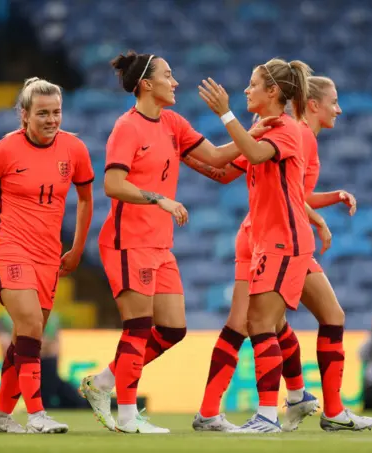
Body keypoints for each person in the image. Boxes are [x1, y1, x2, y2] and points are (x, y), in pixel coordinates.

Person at [79, 50, 263, 434]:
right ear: (146, 84)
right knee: (138, 326)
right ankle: (127, 417)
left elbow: (215, 158)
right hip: (127, 241)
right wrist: (158, 198)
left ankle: (103, 383)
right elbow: (112, 184)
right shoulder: (126, 128)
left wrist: (255, 131)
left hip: (159, 245)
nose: (175, 81)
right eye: (168, 74)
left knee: (173, 329)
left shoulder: (172, 123)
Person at [197, 59, 372, 433]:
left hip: (282, 240)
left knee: (261, 322)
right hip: (270, 237)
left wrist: (225, 113)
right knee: (268, 322)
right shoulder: (273, 129)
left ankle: (271, 412)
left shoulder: (287, 132)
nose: (246, 90)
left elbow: (283, 180)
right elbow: (225, 167)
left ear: (274, 91)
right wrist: (178, 145)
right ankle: (300, 400)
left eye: (252, 84)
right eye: (334, 101)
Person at [0, 77, 94, 434]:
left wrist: (77, 248)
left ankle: (0, 416)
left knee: (30, 336)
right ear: (24, 115)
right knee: (29, 325)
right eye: (42, 113)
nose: (51, 120)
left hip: (48, 254)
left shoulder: (75, 149)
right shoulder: (4, 150)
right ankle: (37, 414)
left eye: (56, 112)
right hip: (9, 247)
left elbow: (86, 199)